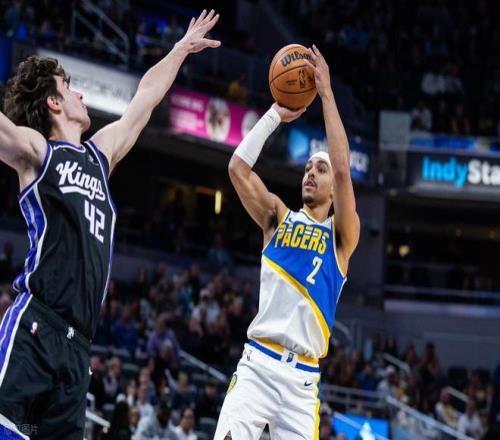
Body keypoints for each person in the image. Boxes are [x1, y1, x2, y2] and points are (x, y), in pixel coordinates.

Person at [0, 9, 220, 438]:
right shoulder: (39, 152)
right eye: (69, 88)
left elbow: (145, 98)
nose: (80, 93)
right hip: (36, 325)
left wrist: (179, 49)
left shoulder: (100, 156)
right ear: (54, 103)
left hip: (78, 347)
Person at [214, 45, 360, 439]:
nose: (311, 173)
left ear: (332, 189)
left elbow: (343, 169)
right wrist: (274, 115)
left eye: (319, 169)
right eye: (308, 167)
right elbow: (237, 168)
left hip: (303, 382)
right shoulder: (278, 217)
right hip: (258, 365)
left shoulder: (342, 236)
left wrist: (326, 94)